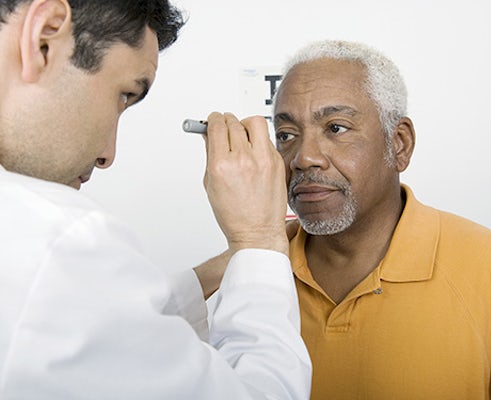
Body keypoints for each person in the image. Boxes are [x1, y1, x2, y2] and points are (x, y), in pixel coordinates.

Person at [0, 1, 311, 399]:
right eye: (123, 95)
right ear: (45, 37)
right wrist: (259, 242)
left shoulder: (40, 259)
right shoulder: (60, 244)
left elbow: (102, 321)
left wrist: (233, 263)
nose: (107, 155)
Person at [206, 39, 491, 399]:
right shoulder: (251, 278)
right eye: (286, 135)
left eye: (336, 128)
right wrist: (248, 252)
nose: (304, 158)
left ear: (399, 144)